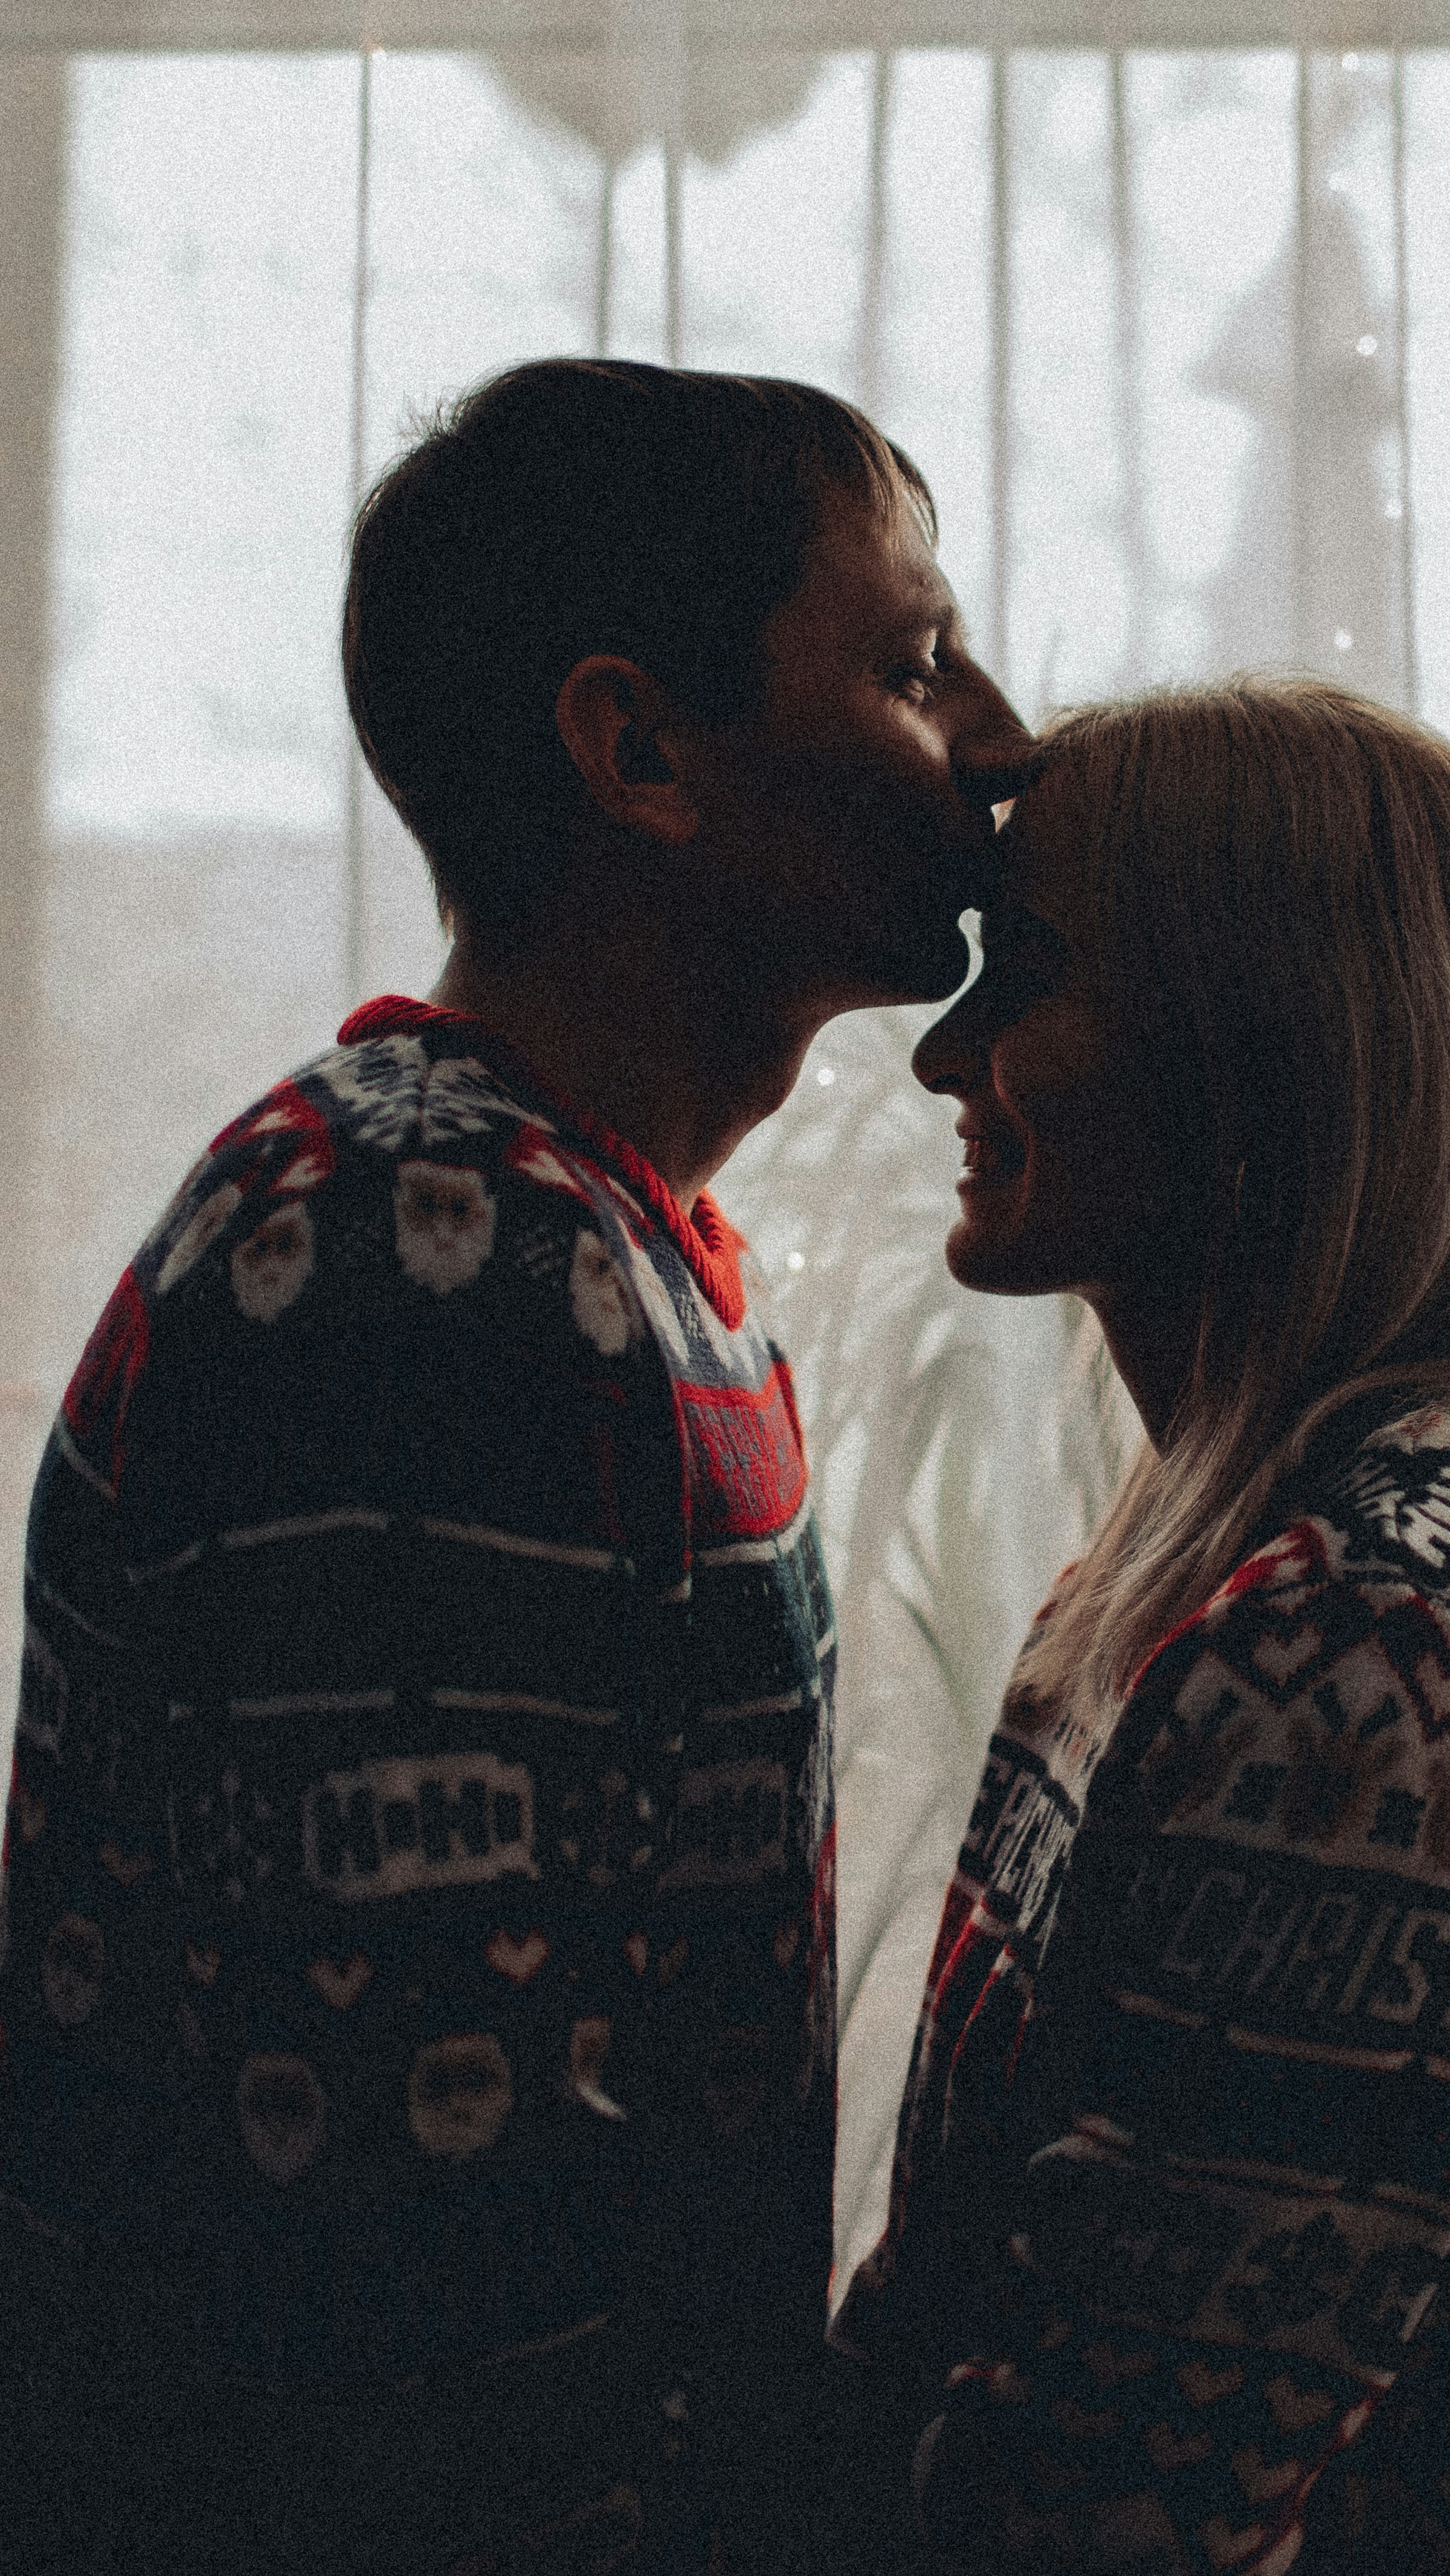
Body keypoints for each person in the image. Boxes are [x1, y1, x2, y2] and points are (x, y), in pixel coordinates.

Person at [0, 358, 1033, 2575]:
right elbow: (403, 2282)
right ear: (639, 750)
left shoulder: (565, 1237)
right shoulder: (419, 1281)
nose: (1006, 740)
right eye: (912, 659)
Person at [836, 681, 1450, 2575]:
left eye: (1028, 971)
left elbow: (1103, 2515)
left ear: (1259, 1050)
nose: (941, 1052)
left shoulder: (1389, 1653)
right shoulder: (1213, 1566)